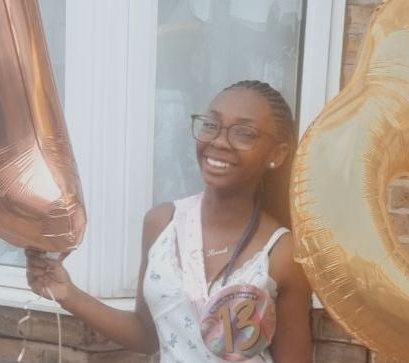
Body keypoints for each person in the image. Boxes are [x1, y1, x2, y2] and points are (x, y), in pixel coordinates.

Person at [26, 80, 313, 362]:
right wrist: (69, 294)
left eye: (244, 133)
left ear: (277, 154)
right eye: (211, 125)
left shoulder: (282, 253)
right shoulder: (162, 223)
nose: (219, 141)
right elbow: (146, 334)